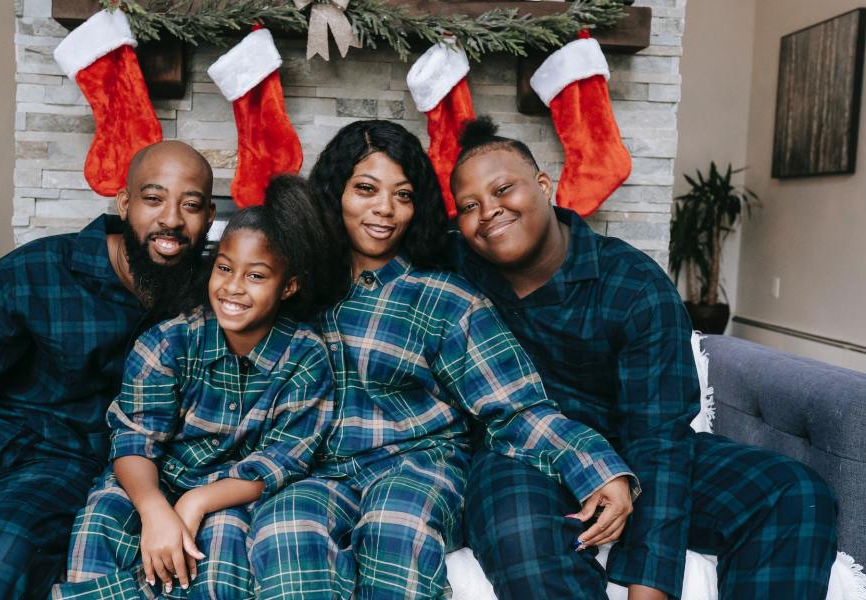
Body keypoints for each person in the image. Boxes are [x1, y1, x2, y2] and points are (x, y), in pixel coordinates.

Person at [247, 120, 638, 600]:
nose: (385, 210)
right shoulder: (299, 289)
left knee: (395, 526)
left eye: (404, 195)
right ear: (335, 194)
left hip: (421, 467)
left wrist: (599, 470)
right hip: (323, 471)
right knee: (283, 524)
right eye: (365, 189)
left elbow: (514, 406)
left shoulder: (444, 298)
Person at [450, 117, 838, 600]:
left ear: (545, 186)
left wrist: (648, 587)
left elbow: (659, 437)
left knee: (792, 492)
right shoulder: (457, 267)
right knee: (520, 534)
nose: (488, 211)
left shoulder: (632, 283)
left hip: (635, 446)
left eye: (503, 188)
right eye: (469, 206)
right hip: (520, 455)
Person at [0, 140, 217, 599]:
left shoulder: (216, 298)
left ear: (209, 217)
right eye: (153, 199)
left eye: (189, 205)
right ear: (125, 203)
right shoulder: (37, 269)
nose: (171, 218)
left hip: (66, 463)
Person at [53, 175, 341, 600]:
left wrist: (196, 502)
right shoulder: (169, 341)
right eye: (225, 268)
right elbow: (134, 440)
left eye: (256, 276)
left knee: (219, 552)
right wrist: (155, 511)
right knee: (101, 519)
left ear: (289, 286)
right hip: (153, 479)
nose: (233, 287)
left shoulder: (306, 355)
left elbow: (282, 461)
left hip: (232, 493)